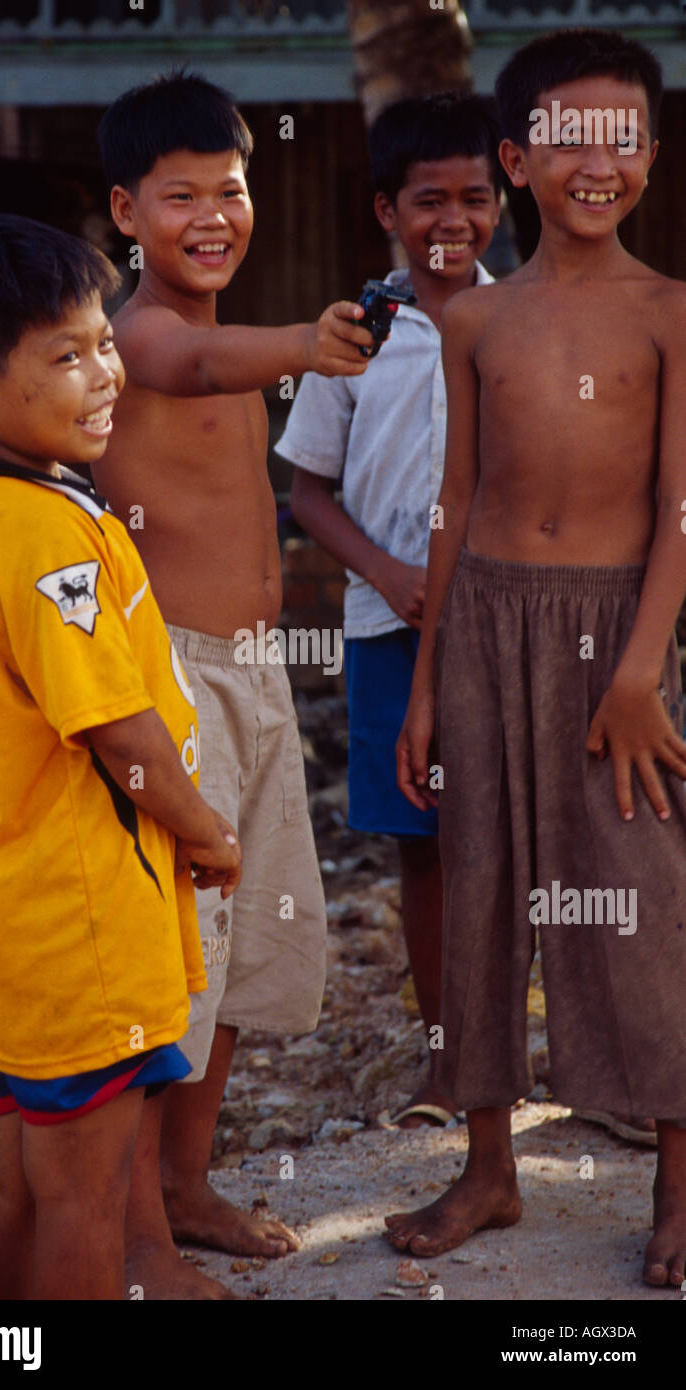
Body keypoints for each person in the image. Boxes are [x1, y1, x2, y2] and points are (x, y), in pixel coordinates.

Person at [0, 210, 241, 1301]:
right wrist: (205, 827)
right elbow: (115, 733)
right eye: (66, 355)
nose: (104, 374)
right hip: (74, 922)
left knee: (7, 1181)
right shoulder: (48, 534)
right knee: (84, 1201)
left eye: (103, 342)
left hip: (0, 917)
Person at [389, 28, 686, 1289]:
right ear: (516, 159)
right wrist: (423, 683)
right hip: (484, 626)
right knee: (481, 891)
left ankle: (677, 1180)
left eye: (620, 137)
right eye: (566, 136)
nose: (594, 161)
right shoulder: (475, 319)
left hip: (615, 629)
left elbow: (681, 508)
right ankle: (488, 1164)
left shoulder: (672, 311)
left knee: (646, 896)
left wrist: (638, 668)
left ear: (651, 160)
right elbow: (456, 501)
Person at [95, 71, 374, 1258]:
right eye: (180, 196)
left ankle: (185, 1185)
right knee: (168, 959)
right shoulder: (140, 333)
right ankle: (119, 1212)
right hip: (174, 684)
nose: (213, 215)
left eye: (232, 189)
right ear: (125, 212)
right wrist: (302, 344)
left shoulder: (217, 331)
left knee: (238, 954)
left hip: (255, 678)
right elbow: (186, 368)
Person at [278, 94, 501, 1130]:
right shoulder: (356, 332)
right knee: (421, 843)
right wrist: (384, 569)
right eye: (428, 201)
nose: (451, 220)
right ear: (386, 210)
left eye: (473, 198)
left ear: (503, 200)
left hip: (502, 625)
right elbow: (305, 490)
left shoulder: (520, 324)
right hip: (382, 625)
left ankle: (519, 1054)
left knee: (504, 842)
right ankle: (447, 1057)